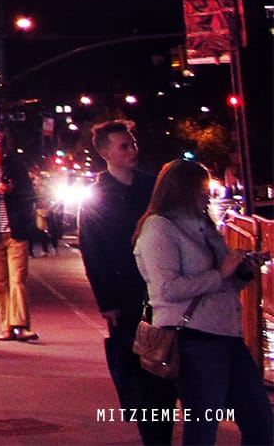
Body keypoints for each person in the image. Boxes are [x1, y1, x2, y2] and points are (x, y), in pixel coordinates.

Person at [134, 159, 272, 446]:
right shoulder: (160, 228)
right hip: (194, 339)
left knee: (260, 421)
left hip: (228, 336)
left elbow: (224, 284)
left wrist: (242, 271)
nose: (207, 195)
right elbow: (166, 289)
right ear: (181, 190)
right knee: (203, 428)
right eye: (201, 189)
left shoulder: (204, 227)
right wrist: (221, 273)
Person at [78, 120, 177, 445]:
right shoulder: (96, 197)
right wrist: (107, 302)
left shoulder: (152, 186)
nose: (132, 150)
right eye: (124, 146)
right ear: (105, 153)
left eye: (132, 143)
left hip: (162, 289)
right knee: (140, 368)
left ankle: (163, 426)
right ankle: (153, 433)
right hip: (127, 295)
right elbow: (93, 252)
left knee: (169, 363)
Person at [0, 128, 38, 341]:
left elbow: (30, 196)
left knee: (18, 280)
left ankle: (21, 325)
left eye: (1, 151)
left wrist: (13, 189)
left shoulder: (18, 168)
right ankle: (6, 325)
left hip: (16, 233)